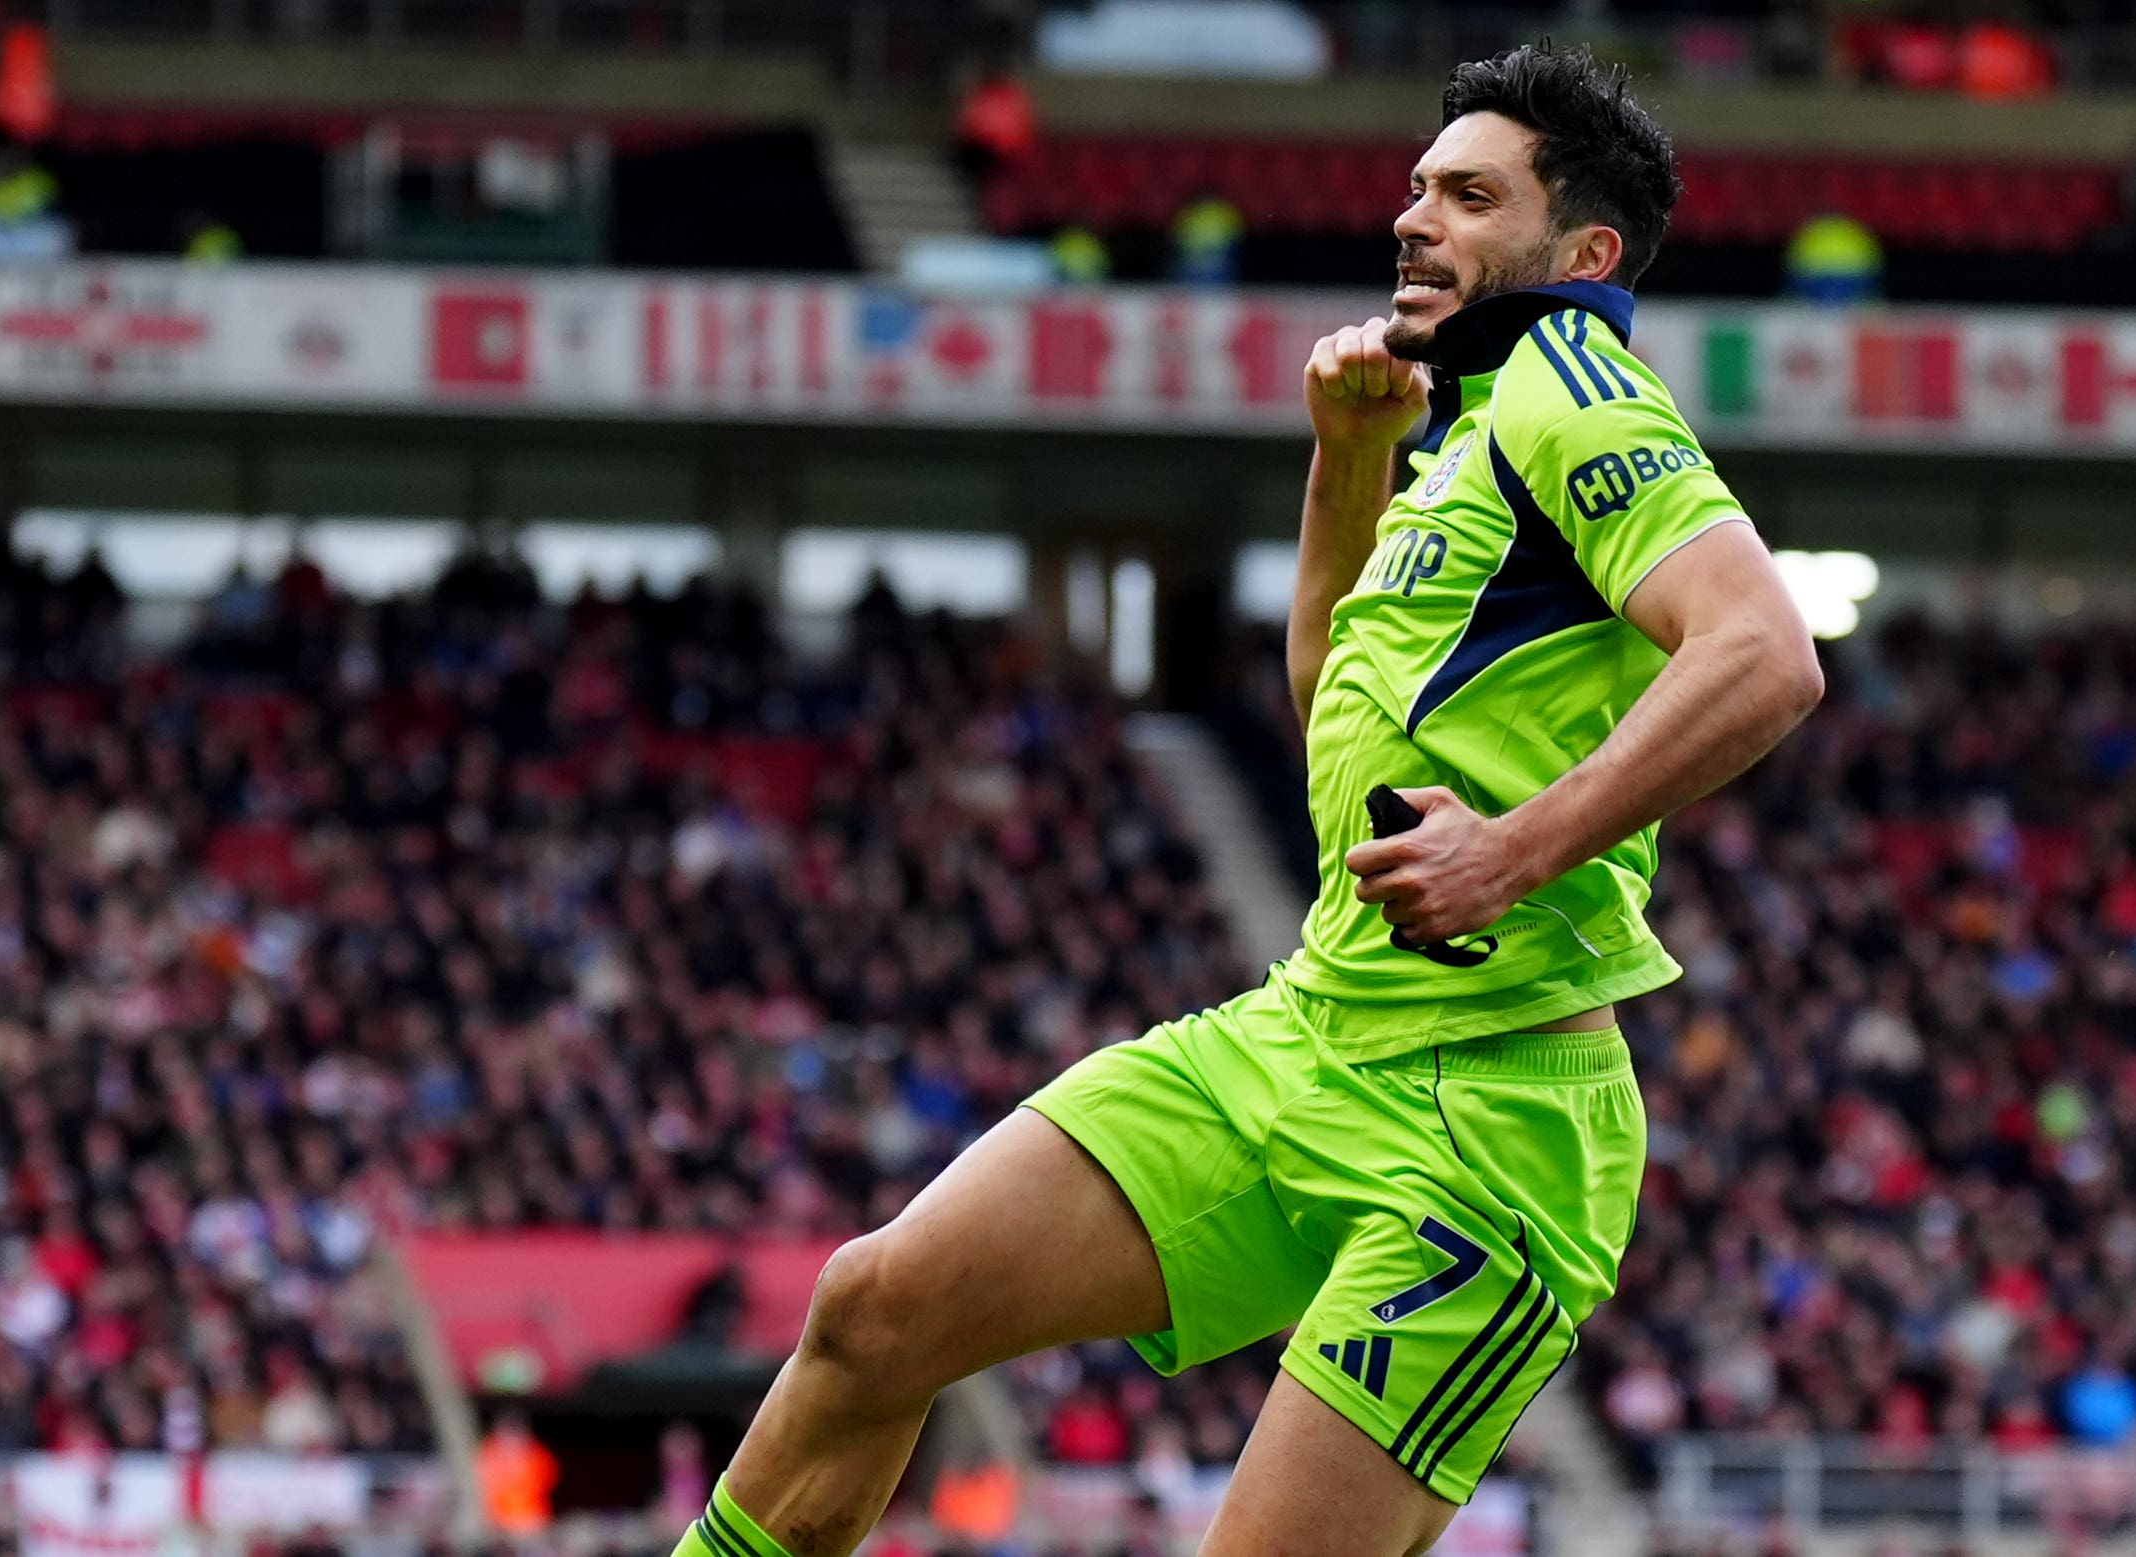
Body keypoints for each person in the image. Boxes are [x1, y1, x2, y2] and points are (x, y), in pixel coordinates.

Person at [672, 45, 1821, 1557]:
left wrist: (1514, 849)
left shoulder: (1576, 389)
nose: (1415, 219)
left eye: (1470, 197)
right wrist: (1349, 464)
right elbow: (1328, 703)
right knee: (876, 1310)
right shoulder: (1471, 432)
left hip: (1493, 1121)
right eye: (1417, 187)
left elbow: (1766, 650)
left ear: (1582, 254)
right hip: (1308, 1034)